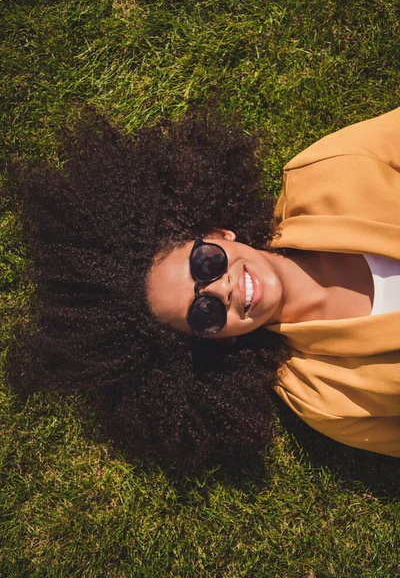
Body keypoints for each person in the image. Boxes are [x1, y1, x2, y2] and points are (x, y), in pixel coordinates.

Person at [9, 106, 400, 464]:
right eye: (204, 312)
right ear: (218, 339)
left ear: (218, 234)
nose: (221, 289)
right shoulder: (325, 398)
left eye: (205, 263)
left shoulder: (326, 173)